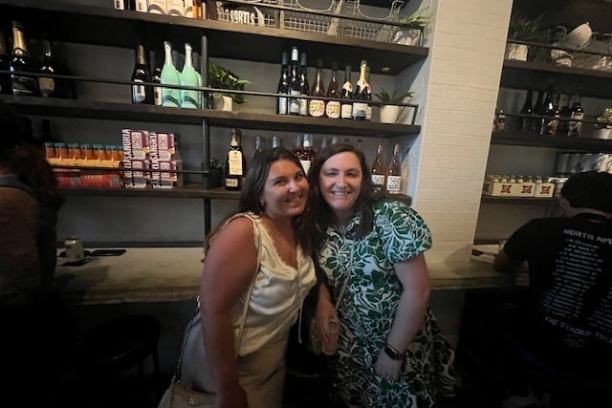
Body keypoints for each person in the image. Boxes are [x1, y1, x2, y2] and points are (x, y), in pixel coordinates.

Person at [309, 144, 457, 407]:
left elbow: (418, 290)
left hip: (395, 342)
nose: (341, 183)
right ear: (317, 180)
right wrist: (322, 298)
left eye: (351, 174)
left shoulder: (391, 217)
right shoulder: (318, 222)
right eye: (331, 173)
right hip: (349, 347)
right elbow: (317, 270)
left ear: (364, 180)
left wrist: (394, 350)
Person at [200, 147, 317, 408]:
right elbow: (213, 312)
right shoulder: (245, 231)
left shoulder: (298, 227)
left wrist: (324, 301)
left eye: (299, 177)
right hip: (238, 368)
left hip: (274, 365)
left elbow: (307, 277)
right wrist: (227, 389)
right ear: (260, 194)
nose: (295, 187)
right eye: (280, 182)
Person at [494, 171, 612, 392]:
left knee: (497, 311)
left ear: (563, 200)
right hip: (604, 360)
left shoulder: (540, 228)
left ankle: (514, 392)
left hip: (545, 344)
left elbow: (502, 265)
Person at [0, 102, 69, 405]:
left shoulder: (8, 199)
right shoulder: (17, 188)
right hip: (37, 331)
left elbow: (16, 289)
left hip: (22, 340)